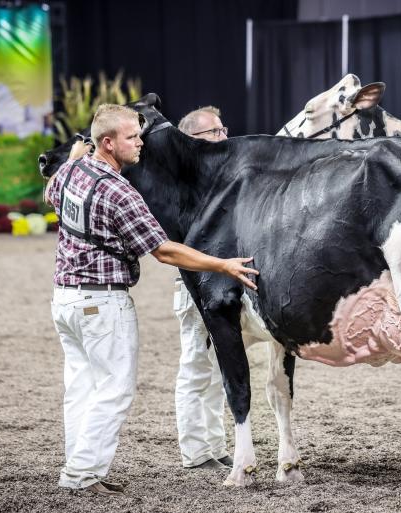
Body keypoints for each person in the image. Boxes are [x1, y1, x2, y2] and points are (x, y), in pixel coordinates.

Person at [47, 104, 257, 496]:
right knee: (113, 390)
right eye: (131, 137)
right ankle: (81, 475)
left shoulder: (72, 172)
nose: (141, 143)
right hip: (102, 303)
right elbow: (164, 251)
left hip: (65, 299)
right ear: (108, 143)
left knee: (81, 388)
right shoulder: (119, 191)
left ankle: (81, 467)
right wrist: (223, 264)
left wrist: (79, 154)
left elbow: (49, 193)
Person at [173, 106, 232, 470]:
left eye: (223, 129)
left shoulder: (219, 178)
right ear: (191, 140)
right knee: (196, 366)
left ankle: (215, 444)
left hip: (222, 282)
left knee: (218, 369)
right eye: (214, 132)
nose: (223, 137)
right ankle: (196, 452)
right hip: (195, 284)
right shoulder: (183, 184)